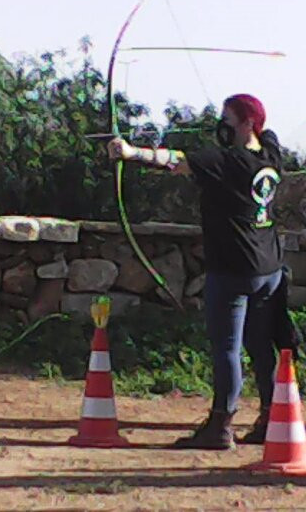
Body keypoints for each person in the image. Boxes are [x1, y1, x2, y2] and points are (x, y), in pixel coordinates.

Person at [108, 94, 283, 449]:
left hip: (233, 268)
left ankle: (221, 425)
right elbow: (267, 135)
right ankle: (271, 417)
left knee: (227, 348)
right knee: (262, 347)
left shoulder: (227, 161)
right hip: (269, 268)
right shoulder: (271, 154)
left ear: (248, 123)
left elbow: (175, 161)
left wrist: (130, 153)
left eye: (229, 118)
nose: (222, 125)